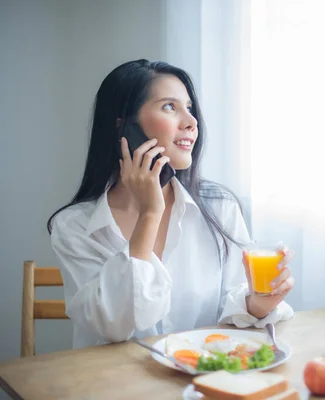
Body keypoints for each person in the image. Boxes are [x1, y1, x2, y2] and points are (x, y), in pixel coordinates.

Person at [47, 59, 294, 349]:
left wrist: (258, 304)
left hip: (200, 385)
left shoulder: (220, 207)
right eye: (169, 107)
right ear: (124, 128)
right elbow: (113, 325)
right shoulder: (74, 227)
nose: (191, 122)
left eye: (189, 108)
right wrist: (150, 214)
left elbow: (234, 305)